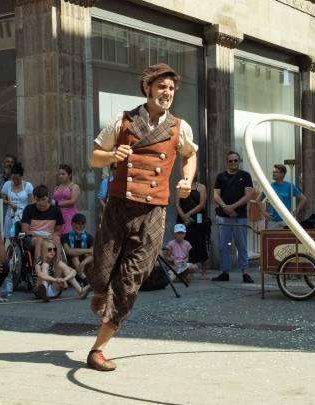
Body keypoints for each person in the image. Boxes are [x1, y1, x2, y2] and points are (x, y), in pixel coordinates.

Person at [86, 63, 197, 372]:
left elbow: (190, 155)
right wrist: (110, 157)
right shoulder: (122, 122)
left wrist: (187, 179)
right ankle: (99, 291)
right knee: (103, 266)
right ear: (147, 87)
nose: (168, 93)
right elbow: (94, 156)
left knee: (131, 279)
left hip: (154, 210)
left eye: (172, 89)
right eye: (162, 87)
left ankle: (98, 349)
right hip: (119, 205)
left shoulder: (179, 127)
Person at [212, 151, 254, 283]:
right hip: (223, 217)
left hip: (239, 216)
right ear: (227, 162)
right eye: (230, 161)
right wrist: (226, 207)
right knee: (224, 246)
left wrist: (233, 207)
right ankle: (225, 272)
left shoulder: (245, 175)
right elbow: (216, 195)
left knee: (241, 245)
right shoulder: (220, 177)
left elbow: (248, 195)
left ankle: (245, 272)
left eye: (236, 160)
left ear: (239, 161)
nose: (233, 163)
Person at [175, 176, 210, 279]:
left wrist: (189, 214)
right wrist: (183, 216)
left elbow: (202, 204)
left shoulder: (201, 187)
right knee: (184, 243)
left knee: (200, 242)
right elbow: (177, 204)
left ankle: (204, 272)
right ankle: (187, 272)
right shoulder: (180, 186)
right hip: (183, 218)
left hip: (197, 218)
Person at [258, 164, 307, 229]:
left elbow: (303, 199)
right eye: (273, 172)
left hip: (287, 221)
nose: (273, 174)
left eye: (276, 172)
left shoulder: (289, 186)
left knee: (286, 239)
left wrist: (295, 212)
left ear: (282, 174)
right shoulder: (269, 187)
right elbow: (258, 200)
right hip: (273, 222)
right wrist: (264, 213)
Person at [20, 185, 64, 259]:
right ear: (34, 198)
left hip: (49, 237)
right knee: (40, 240)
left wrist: (51, 236)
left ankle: (58, 263)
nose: (41, 203)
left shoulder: (56, 210)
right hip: (32, 238)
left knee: (56, 239)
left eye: (43, 199)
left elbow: (59, 231)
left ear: (48, 197)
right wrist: (39, 235)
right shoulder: (28, 209)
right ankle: (37, 264)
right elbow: (25, 230)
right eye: (38, 200)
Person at [0, 163, 33, 238]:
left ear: (22, 176)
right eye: (13, 179)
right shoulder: (7, 184)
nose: (15, 181)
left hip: (24, 214)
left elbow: (32, 201)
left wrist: (27, 211)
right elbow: (2, 199)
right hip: (10, 214)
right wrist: (9, 203)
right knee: (10, 235)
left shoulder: (28, 185)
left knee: (22, 235)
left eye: (17, 179)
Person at [61, 213, 93, 288]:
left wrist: (82, 263)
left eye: (82, 224)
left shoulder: (89, 237)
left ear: (85, 225)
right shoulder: (65, 237)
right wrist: (87, 250)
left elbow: (93, 253)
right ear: (72, 224)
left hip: (84, 266)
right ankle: (84, 279)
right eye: (77, 224)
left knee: (89, 256)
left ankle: (84, 278)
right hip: (70, 265)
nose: (80, 227)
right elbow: (69, 251)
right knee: (74, 256)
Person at [53, 164, 80, 234]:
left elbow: (73, 201)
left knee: (69, 234)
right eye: (59, 174)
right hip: (58, 214)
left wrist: (57, 203)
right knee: (59, 234)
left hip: (70, 214)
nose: (61, 176)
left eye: (63, 174)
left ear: (70, 175)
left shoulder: (74, 187)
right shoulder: (57, 187)